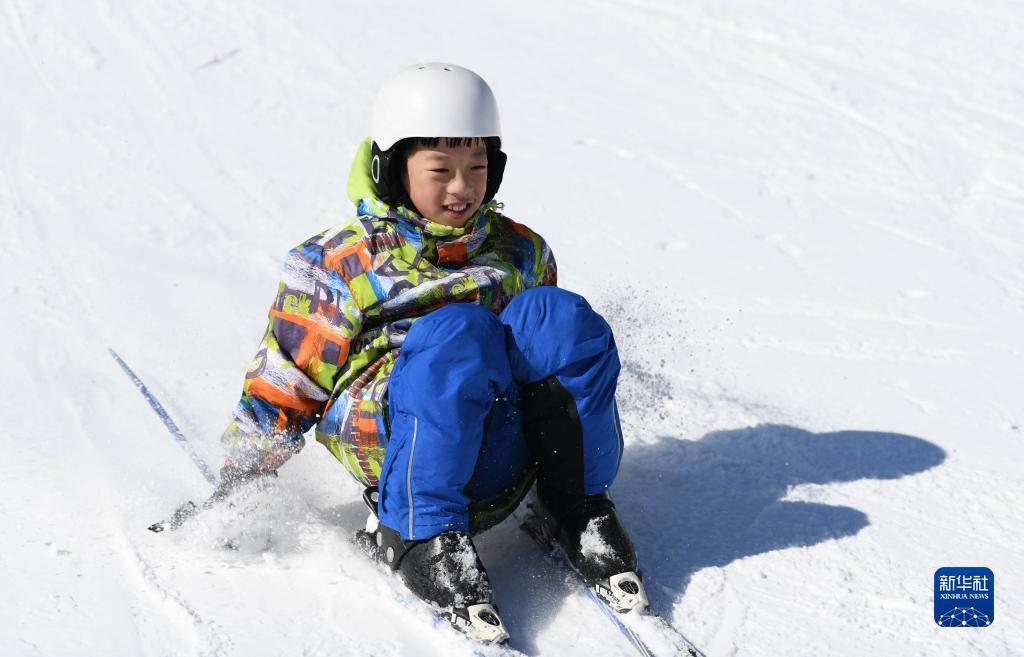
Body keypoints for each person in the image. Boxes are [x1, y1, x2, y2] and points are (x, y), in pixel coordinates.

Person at [217, 63, 644, 643]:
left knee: (558, 319)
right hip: (396, 446)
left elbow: (554, 364)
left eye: (477, 168)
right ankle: (417, 530)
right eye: (439, 170)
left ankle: (575, 502)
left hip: (500, 446)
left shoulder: (519, 251)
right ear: (393, 170)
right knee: (457, 336)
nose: (462, 188)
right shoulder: (340, 263)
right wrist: (242, 478)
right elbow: (290, 378)